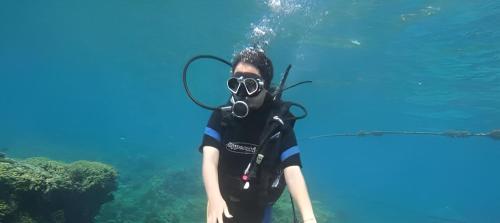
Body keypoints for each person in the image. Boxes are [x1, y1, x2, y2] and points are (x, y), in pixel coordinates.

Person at [199, 49, 317, 223]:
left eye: (251, 85)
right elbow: (209, 160)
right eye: (236, 83)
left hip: (257, 209)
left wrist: (309, 217)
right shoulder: (222, 116)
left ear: (265, 86)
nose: (242, 92)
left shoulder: (278, 122)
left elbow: (292, 171)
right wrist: (215, 198)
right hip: (220, 201)